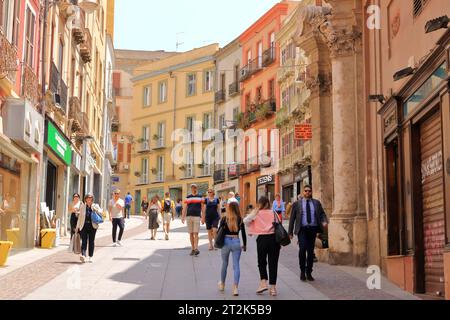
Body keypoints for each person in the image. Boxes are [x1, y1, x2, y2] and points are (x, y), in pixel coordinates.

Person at [288, 185, 328, 282]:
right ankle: (302, 271)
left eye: (309, 191)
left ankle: (309, 272)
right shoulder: (297, 204)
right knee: (302, 250)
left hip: (313, 229)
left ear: (311, 192)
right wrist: (290, 232)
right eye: (306, 191)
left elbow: (322, 214)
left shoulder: (316, 203)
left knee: (310, 252)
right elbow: (292, 218)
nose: (307, 193)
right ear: (303, 192)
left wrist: (324, 221)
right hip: (302, 230)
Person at [244, 196, 281, 297]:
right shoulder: (273, 212)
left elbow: (246, 221)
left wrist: (254, 212)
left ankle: (263, 282)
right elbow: (278, 223)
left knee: (261, 262)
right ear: (268, 203)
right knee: (273, 263)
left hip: (262, 240)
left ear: (260, 204)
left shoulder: (256, 213)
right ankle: (273, 288)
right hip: (274, 239)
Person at [218, 202, 247, 297]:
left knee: (224, 264)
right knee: (236, 265)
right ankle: (235, 288)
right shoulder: (240, 219)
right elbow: (243, 234)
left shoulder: (224, 218)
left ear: (229, 209)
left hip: (226, 242)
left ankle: (222, 284)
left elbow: (219, 232)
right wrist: (245, 245)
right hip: (236, 242)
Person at [76, 194, 103, 263]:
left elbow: (101, 212)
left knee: (91, 241)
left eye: (90, 198)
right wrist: (78, 227)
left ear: (92, 199)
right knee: (84, 241)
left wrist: (95, 209)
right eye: (88, 198)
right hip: (84, 226)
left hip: (92, 226)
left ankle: (90, 256)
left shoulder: (95, 205)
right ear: (85, 199)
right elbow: (80, 217)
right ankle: (83, 255)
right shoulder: (83, 206)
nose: (89, 199)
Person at [182, 184, 205, 256]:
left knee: (196, 233)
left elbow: (203, 208)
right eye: (192, 188)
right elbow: (185, 207)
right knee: (191, 233)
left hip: (197, 217)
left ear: (196, 188)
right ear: (190, 189)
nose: (193, 189)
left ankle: (196, 248)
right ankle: (192, 249)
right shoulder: (188, 197)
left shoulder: (200, 197)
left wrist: (203, 217)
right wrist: (183, 217)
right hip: (189, 217)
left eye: (194, 188)